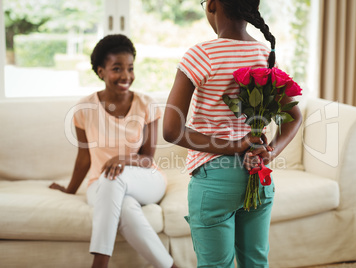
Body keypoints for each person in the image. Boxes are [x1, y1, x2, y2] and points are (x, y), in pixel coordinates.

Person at [163, 0, 302, 267]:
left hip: (214, 180)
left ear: (213, 5)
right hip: (258, 176)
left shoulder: (201, 55)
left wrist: (235, 146)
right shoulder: (265, 54)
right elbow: (294, 117)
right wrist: (269, 152)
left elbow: (171, 130)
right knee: (256, 262)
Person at [49, 34, 176, 268]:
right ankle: (171, 266)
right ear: (101, 72)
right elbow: (84, 158)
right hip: (100, 184)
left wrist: (123, 159)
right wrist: (69, 190)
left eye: (130, 68)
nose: (126, 76)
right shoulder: (84, 108)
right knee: (125, 206)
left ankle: (100, 261)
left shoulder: (146, 104)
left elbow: (148, 159)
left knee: (114, 176)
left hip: (145, 179)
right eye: (117, 68)